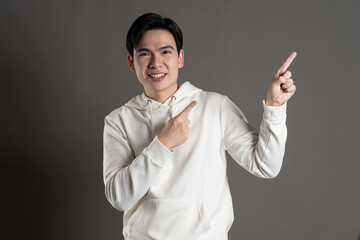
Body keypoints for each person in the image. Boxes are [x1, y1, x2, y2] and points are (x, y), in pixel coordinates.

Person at [103, 13, 296, 240]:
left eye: (166, 52)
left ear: (180, 58)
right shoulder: (119, 120)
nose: (156, 63)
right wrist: (162, 144)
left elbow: (266, 165)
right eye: (145, 54)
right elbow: (120, 198)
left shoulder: (214, 106)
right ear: (131, 62)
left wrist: (274, 107)